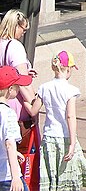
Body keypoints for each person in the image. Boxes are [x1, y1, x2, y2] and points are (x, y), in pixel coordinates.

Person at [33, 51, 86, 190]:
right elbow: (70, 116)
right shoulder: (70, 90)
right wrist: (73, 143)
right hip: (65, 136)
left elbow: (33, 110)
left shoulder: (44, 87)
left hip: (49, 137)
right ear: (68, 68)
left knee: (51, 174)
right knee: (67, 175)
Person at [0, 10, 38, 188]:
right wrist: (33, 105)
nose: (24, 33)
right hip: (16, 111)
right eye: (23, 29)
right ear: (16, 26)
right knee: (18, 154)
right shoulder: (15, 46)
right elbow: (21, 82)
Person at [0, 67, 28, 191]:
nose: (19, 88)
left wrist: (15, 152)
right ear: (10, 89)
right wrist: (15, 177)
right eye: (17, 85)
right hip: (7, 175)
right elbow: (9, 143)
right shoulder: (9, 114)